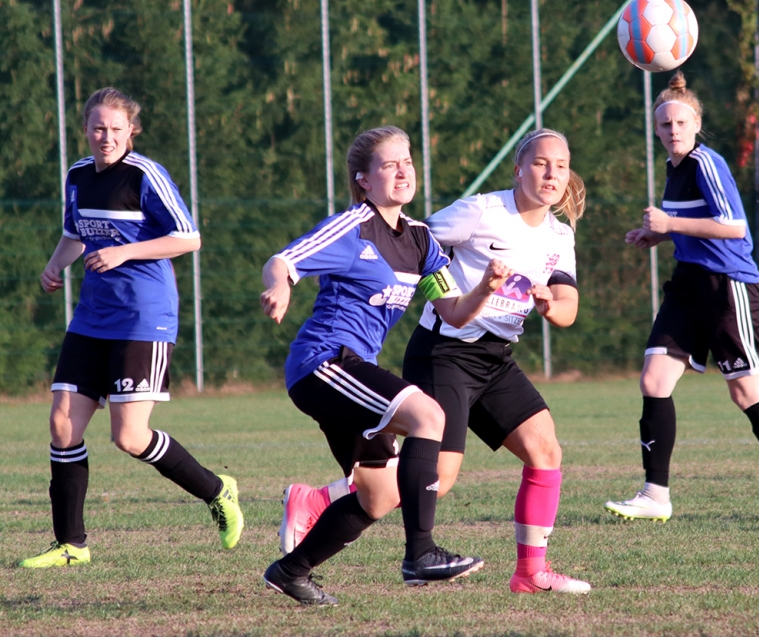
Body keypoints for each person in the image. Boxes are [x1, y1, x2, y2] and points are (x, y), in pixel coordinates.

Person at [278, 128, 592, 595]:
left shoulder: (559, 235)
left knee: (545, 450)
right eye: (541, 163)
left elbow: (568, 308)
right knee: (437, 479)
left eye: (560, 166)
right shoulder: (482, 211)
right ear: (518, 170)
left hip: (496, 357)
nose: (551, 173)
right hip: (444, 353)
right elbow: (407, 240)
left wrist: (549, 305)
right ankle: (327, 501)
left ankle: (531, 572)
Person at [260, 125, 508, 606]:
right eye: (389, 165)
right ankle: (421, 554)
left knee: (379, 495)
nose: (402, 171)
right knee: (428, 415)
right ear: (364, 180)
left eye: (407, 162)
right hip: (323, 362)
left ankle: (291, 571)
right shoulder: (353, 226)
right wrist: (279, 286)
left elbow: (453, 312)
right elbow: (283, 260)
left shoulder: (420, 240)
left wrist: (485, 289)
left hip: (353, 367)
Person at [21, 88, 243, 569]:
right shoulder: (78, 175)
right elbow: (74, 233)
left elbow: (188, 237)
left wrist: (124, 252)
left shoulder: (145, 175)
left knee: (130, 436)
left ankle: (216, 490)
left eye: (116, 129)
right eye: (99, 128)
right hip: (91, 317)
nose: (107, 137)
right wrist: (55, 266)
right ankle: (71, 544)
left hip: (143, 317)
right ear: (85, 128)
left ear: (131, 131)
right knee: (62, 424)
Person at [604, 72, 759, 523]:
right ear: (656, 129)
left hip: (728, 286)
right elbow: (696, 225)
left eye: (681, 122)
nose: (673, 130)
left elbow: (734, 227)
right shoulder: (674, 169)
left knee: (745, 392)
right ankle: (655, 495)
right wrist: (659, 235)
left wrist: (670, 225)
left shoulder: (706, 162)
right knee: (654, 381)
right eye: (665, 124)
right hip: (688, 284)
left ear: (697, 124)